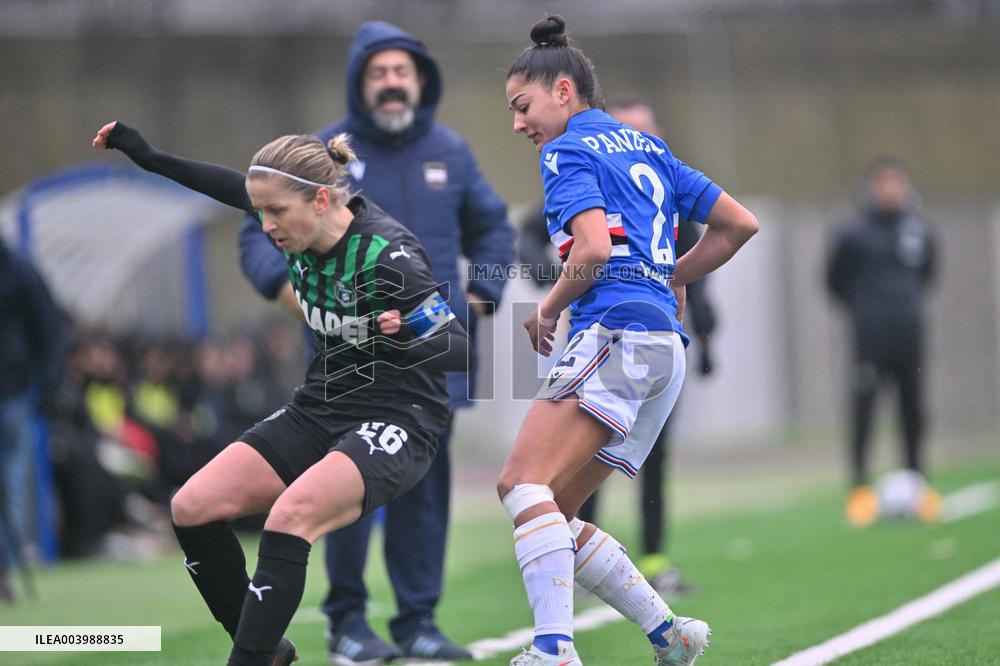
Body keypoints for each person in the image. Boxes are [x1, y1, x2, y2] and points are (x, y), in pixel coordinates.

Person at [92, 119, 468, 666]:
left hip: (399, 418)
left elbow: (459, 349)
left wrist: (407, 335)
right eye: (258, 210)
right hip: (321, 405)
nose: (266, 226)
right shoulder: (289, 217)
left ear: (320, 199)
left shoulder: (389, 257)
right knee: (191, 506)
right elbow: (222, 184)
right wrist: (147, 155)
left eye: (275, 212)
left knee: (290, 516)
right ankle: (270, 653)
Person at [238, 21, 513, 663]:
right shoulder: (322, 156)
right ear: (360, 84)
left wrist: (482, 300)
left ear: (420, 80)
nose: (391, 84)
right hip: (347, 365)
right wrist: (282, 289)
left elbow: (495, 232)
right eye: (377, 73)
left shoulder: (452, 150)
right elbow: (256, 229)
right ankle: (348, 625)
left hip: (427, 358)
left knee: (423, 494)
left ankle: (418, 622)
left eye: (401, 72)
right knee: (338, 494)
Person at [498, 15, 758, 666]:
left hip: (612, 333)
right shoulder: (648, 148)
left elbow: (588, 250)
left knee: (520, 484)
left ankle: (554, 651)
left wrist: (547, 310)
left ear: (563, 90)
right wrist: (668, 274)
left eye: (521, 106)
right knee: (553, 508)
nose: (518, 124)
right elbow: (738, 224)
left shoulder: (566, 151)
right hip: (664, 348)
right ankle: (671, 634)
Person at [574, 98, 716, 594]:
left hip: (646, 340)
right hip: (605, 339)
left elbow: (700, 252)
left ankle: (652, 560)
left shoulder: (668, 187)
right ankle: (577, 555)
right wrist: (560, 285)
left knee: (644, 455)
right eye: (626, 131)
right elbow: (540, 242)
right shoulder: (591, 179)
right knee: (584, 453)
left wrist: (704, 324)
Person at [825, 157, 938, 526]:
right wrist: (865, 311)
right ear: (874, 187)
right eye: (885, 183)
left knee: (913, 410)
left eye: (897, 183)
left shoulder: (918, 228)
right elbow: (833, 280)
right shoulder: (853, 233)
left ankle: (919, 485)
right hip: (869, 338)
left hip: (909, 334)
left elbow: (928, 273)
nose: (892, 190)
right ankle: (859, 490)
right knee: (864, 411)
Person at [0, 238, 63, 601]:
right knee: (13, 481)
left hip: (13, 391)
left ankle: (6, 568)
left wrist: (44, 384)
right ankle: (9, 563)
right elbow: (49, 326)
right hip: (16, 388)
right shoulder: (18, 267)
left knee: (12, 480)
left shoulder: (18, 269)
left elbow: (47, 327)